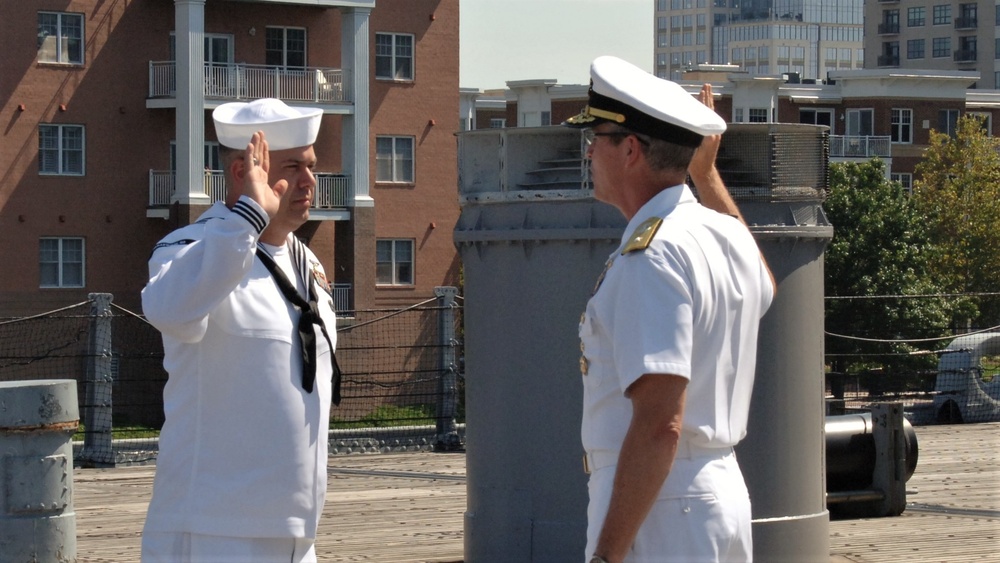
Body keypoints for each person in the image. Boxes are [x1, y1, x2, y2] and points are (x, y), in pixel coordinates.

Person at [564, 56, 776, 563]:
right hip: (716, 492)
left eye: (597, 137)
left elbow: (660, 423)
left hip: (661, 509)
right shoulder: (719, 232)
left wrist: (607, 555)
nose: (589, 150)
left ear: (631, 150)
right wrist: (705, 176)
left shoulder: (652, 256)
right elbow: (763, 283)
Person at [140, 98, 340, 563]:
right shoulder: (192, 248)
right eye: (293, 167)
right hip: (213, 528)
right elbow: (167, 310)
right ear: (242, 172)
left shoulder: (306, 262)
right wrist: (248, 218)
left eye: (312, 166)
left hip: (295, 529)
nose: (310, 180)